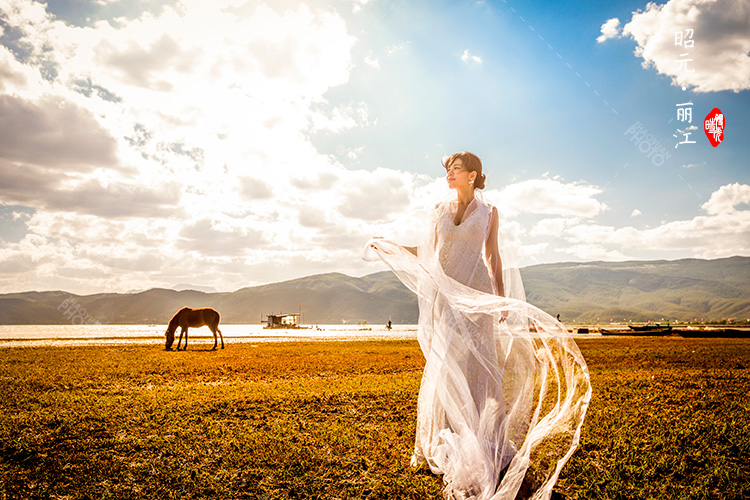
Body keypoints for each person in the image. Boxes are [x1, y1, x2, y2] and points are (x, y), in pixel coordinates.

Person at [364, 152, 591, 500]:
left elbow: (492, 256)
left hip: (477, 297)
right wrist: (390, 246)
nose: (449, 176)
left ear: (472, 175)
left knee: (480, 369)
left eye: (455, 170)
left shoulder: (489, 213)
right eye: (447, 171)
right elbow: (426, 250)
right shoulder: (439, 210)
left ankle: (485, 440)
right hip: (445, 299)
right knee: (446, 366)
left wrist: (499, 297)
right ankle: (444, 438)